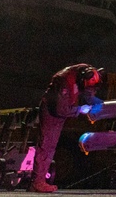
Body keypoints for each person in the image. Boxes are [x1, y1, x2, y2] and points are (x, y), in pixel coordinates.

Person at [31, 63, 104, 193]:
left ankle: (38, 181)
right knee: (46, 145)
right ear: (83, 78)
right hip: (51, 112)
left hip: (60, 111)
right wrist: (80, 109)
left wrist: (97, 102)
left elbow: (87, 92)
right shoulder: (64, 80)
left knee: (51, 147)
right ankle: (37, 182)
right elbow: (61, 109)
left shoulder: (83, 74)